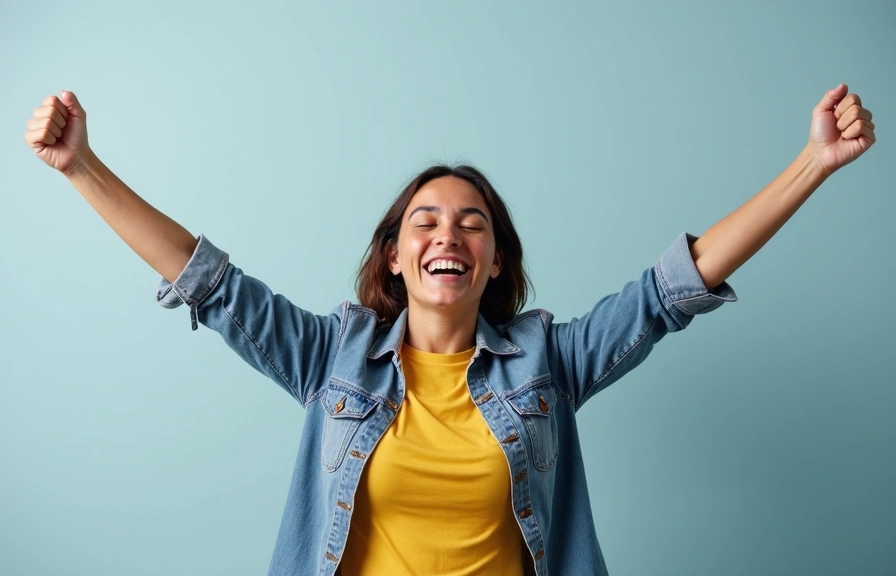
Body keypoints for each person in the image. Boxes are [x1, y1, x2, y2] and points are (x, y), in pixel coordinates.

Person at [24, 84, 875, 576]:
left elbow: (671, 288)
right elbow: (207, 281)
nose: (449, 235)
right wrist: (81, 166)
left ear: (495, 262)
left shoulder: (549, 362)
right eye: (425, 222)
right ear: (395, 257)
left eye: (473, 224)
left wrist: (813, 164)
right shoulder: (330, 358)